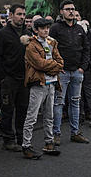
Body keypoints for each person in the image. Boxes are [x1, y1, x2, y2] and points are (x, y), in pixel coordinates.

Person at [20, 18, 64, 159]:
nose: (46, 30)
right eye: (42, 28)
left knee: (49, 116)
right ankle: (26, 145)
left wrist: (52, 67)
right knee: (32, 116)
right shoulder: (31, 46)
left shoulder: (51, 43)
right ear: (36, 30)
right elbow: (40, 65)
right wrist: (54, 67)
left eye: (47, 28)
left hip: (51, 84)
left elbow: (61, 62)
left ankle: (48, 142)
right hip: (38, 84)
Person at [49, 0, 90, 144]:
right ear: (61, 12)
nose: (71, 11)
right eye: (67, 9)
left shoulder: (79, 29)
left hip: (77, 72)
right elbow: (50, 49)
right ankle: (56, 134)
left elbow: (86, 49)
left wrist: (83, 67)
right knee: (58, 103)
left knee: (75, 103)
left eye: (73, 9)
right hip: (62, 72)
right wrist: (57, 67)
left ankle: (75, 132)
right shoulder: (55, 29)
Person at [0, 4, 32, 151]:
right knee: (7, 109)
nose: (22, 17)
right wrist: (2, 78)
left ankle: (21, 137)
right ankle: (8, 140)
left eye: (23, 14)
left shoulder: (28, 33)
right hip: (9, 78)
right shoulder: (3, 34)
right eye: (19, 14)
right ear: (11, 16)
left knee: (23, 109)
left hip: (24, 78)